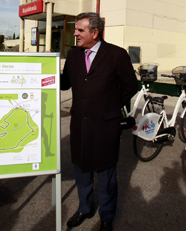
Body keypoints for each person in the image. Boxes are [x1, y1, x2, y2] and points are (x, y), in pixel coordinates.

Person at [61, 12, 138, 231]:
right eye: (76, 29)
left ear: (95, 32)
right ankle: (85, 208)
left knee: (106, 176)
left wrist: (111, 107)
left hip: (105, 126)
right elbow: (65, 83)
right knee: (81, 171)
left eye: (80, 30)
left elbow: (131, 86)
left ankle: (106, 217)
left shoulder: (116, 55)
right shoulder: (74, 55)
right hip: (79, 126)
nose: (75, 33)